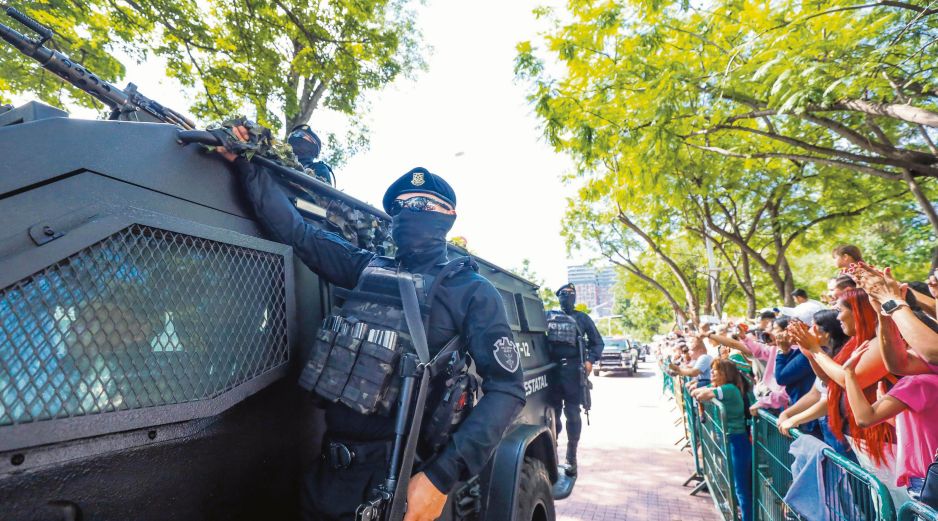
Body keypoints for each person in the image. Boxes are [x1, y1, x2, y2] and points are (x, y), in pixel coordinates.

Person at [215, 125, 526, 521]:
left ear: (449, 217)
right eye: (405, 202)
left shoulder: (471, 290)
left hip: (404, 482)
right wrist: (246, 163)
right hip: (328, 475)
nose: (414, 209)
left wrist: (440, 478)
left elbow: (507, 391)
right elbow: (299, 234)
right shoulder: (367, 267)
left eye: (427, 204)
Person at [843, 343, 938, 501]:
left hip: (925, 480)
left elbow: (864, 418)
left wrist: (849, 374)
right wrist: (890, 415)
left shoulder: (916, 382)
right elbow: (923, 430)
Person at [545, 283, 604, 476]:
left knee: (572, 413)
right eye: (563, 294)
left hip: (573, 371)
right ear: (558, 296)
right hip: (552, 371)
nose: (567, 297)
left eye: (570, 294)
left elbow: (597, 342)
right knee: (553, 415)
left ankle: (571, 458)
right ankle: (552, 454)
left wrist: (590, 361)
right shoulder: (548, 315)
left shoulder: (582, 318)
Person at [692, 359, 754, 521]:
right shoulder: (726, 388)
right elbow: (696, 392)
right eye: (711, 370)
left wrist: (707, 389)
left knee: (741, 488)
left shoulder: (728, 389)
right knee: (736, 485)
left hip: (738, 442)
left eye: (715, 370)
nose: (711, 373)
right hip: (733, 440)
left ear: (726, 374)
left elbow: (700, 394)